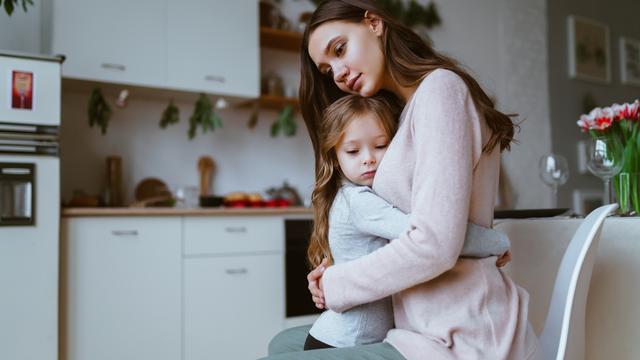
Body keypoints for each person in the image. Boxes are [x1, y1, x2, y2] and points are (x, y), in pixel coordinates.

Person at [261, 0, 540, 359]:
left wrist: (340, 283)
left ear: (373, 23)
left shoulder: (441, 90)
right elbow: (401, 226)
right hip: (415, 326)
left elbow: (434, 243)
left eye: (340, 49)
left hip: (460, 334)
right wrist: (343, 266)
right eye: (328, 70)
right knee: (280, 346)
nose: (339, 73)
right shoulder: (404, 113)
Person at [303, 94, 510, 351]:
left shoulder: (358, 196)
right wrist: (497, 242)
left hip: (346, 338)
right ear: (334, 158)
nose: (368, 158)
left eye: (380, 146)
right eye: (353, 151)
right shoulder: (360, 202)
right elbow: (434, 234)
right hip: (343, 343)